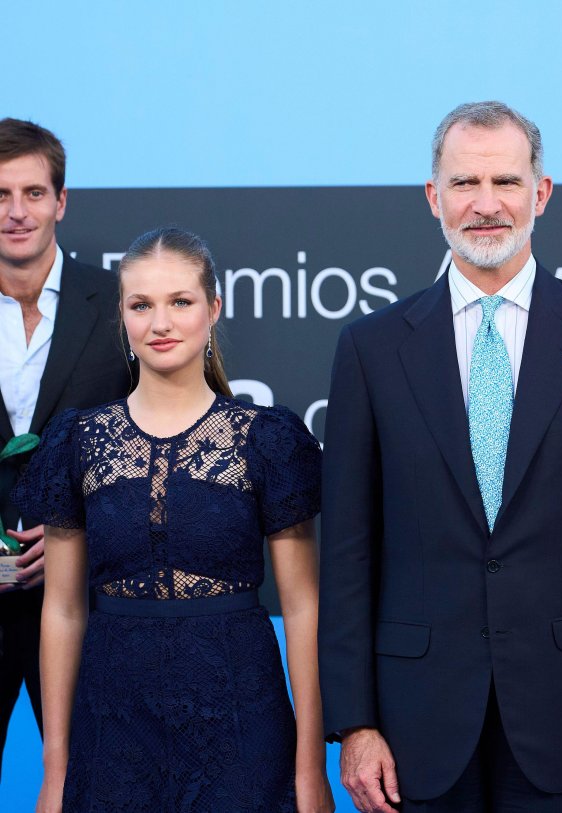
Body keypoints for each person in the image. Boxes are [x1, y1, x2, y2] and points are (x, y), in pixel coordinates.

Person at [318, 101, 562, 813]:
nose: (486, 206)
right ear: (433, 197)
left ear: (541, 194)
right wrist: (354, 722)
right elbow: (349, 550)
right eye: (464, 184)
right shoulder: (372, 347)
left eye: (506, 182)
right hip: (415, 725)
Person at [12, 228, 333, 812]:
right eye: (142, 305)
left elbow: (304, 606)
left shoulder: (267, 439)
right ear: (123, 318)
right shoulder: (77, 442)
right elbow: (61, 610)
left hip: (241, 724)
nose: (161, 323)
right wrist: (55, 770)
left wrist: (310, 767)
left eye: (180, 302)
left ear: (213, 309)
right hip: (112, 730)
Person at [0, 117, 133, 781]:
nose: (16, 212)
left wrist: (88, 532)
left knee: (92, 782)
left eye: (31, 192)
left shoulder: (120, 306)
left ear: (61, 200)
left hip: (88, 600)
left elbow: (160, 443)